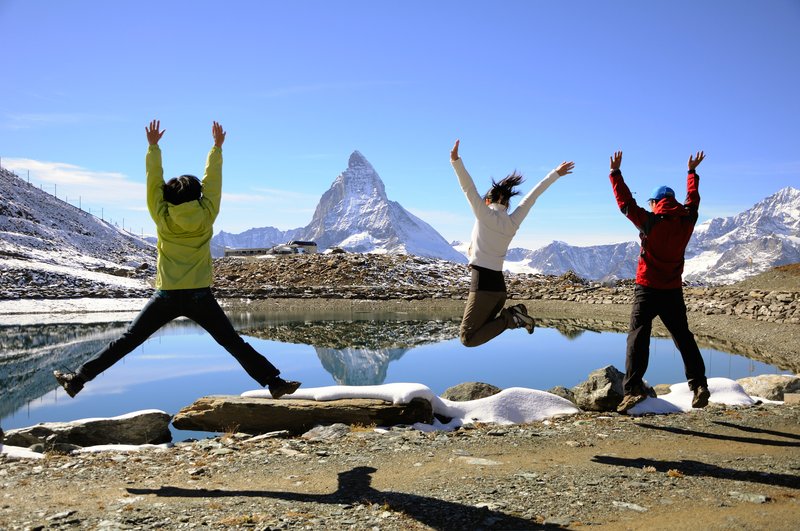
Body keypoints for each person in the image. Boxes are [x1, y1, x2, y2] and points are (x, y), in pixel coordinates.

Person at [53, 120, 301, 399]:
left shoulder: (162, 215)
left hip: (167, 295)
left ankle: (77, 380)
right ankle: (274, 382)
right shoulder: (207, 214)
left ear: (167, 197)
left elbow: (153, 182)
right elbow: (213, 182)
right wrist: (217, 148)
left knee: (128, 340)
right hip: (200, 295)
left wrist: (153, 148)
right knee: (231, 341)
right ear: (199, 196)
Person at [609, 150, 710, 413]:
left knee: (638, 338)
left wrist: (615, 173)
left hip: (647, 288)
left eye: (652, 202)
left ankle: (632, 391)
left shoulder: (650, 221)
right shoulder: (687, 220)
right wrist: (691, 173)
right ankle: (699, 385)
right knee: (683, 337)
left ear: (655, 202)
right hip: (672, 290)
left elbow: (626, 204)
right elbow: (693, 200)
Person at [450, 139, 574, 347]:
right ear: (507, 204)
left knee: (467, 338)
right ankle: (513, 315)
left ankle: (512, 317)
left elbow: (467, 188)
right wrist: (555, 174)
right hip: (499, 289)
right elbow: (532, 196)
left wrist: (455, 161)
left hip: (483, 287)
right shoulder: (512, 222)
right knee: (482, 328)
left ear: (487, 201)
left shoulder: (484, 214)